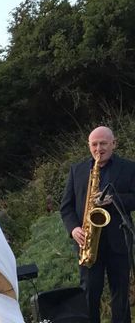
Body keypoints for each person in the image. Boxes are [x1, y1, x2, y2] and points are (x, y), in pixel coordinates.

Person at [60, 126, 135, 323]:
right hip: (88, 243)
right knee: (89, 294)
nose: (98, 148)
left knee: (120, 294)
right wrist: (74, 229)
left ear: (113, 144)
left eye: (103, 143)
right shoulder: (77, 170)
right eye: (94, 144)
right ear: (89, 146)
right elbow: (66, 208)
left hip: (119, 240)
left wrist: (114, 199)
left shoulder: (129, 168)